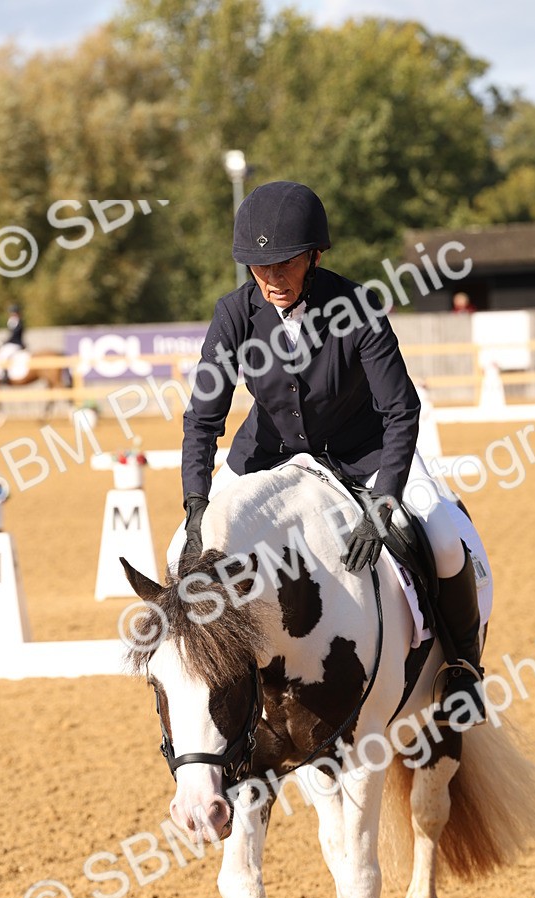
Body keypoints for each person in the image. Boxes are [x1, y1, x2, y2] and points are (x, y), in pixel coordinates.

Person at [178, 181, 484, 725]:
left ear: (315, 255)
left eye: (286, 264)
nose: (271, 279)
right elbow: (203, 417)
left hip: (361, 453)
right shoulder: (234, 315)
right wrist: (196, 503)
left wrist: (387, 496)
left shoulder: (357, 307)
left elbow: (401, 409)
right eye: (259, 266)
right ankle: (201, 686)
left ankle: (461, 671)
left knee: (441, 536)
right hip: (266, 459)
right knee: (185, 546)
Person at [0, 303, 25, 384]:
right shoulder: (12, 322)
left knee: (5, 355)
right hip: (12, 343)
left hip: (15, 344)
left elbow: (14, 336)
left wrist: (4, 342)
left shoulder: (18, 322)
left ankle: (5, 373)